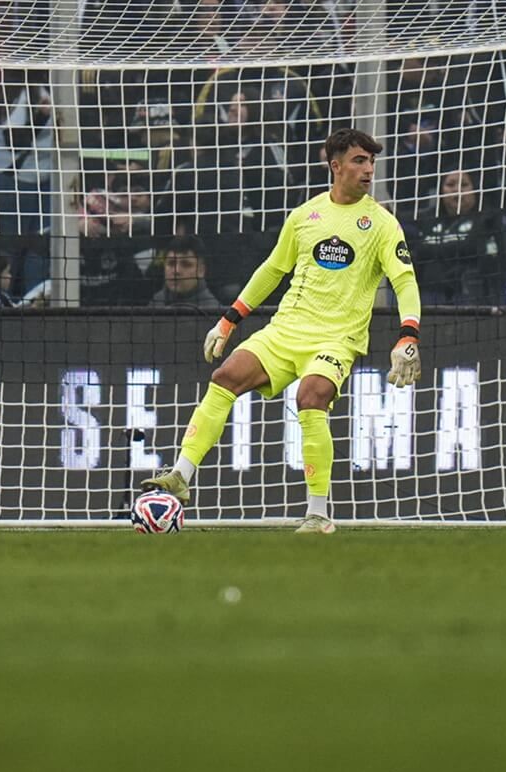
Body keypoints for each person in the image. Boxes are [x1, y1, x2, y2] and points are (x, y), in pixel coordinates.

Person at [140, 129, 421, 533]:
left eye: (371, 162)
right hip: (287, 328)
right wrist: (229, 319)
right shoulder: (306, 215)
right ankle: (181, 476)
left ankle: (318, 513)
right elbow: (273, 269)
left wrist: (408, 334)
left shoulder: (381, 224)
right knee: (225, 377)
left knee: (311, 398)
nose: (368, 170)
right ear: (335, 165)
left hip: (336, 337)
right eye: (359, 161)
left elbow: (405, 281)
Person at [151, 236, 221, 308]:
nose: (176, 271)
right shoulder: (155, 303)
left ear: (201, 271)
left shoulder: (213, 311)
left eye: (186, 264)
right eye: (171, 263)